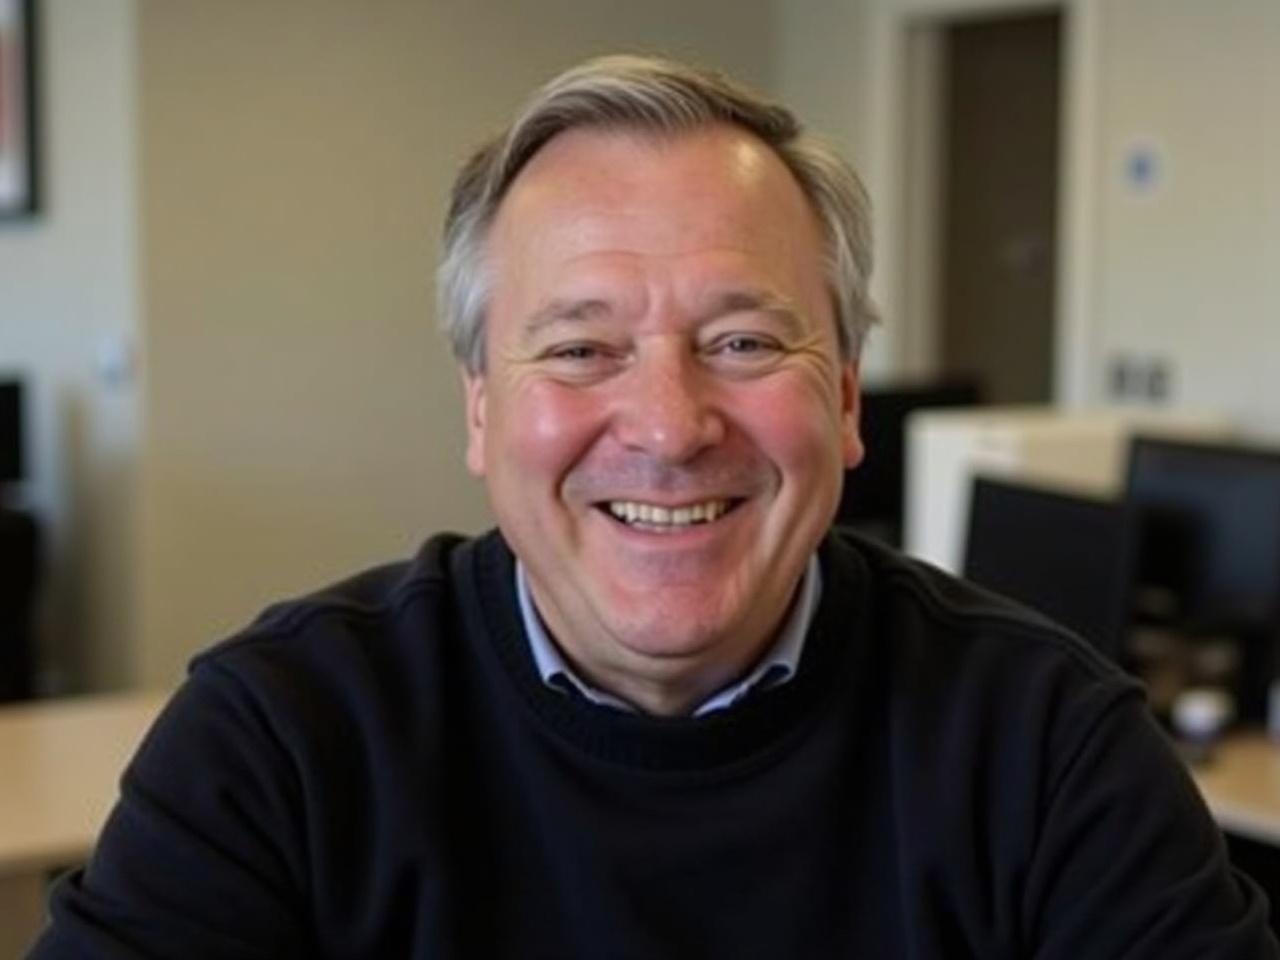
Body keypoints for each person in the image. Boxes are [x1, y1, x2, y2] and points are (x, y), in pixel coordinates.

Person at [30, 54, 1277, 959]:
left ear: (844, 402)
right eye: (578, 351)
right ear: (479, 410)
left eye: (740, 342)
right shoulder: (284, 738)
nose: (671, 427)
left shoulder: (1047, 744)